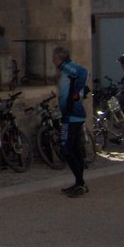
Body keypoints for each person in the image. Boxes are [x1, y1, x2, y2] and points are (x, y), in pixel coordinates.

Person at [52, 45, 90, 197]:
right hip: (70, 114)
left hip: (72, 114)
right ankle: (79, 182)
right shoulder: (63, 69)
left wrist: (75, 93)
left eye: (54, 57)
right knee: (74, 148)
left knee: (66, 149)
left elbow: (83, 72)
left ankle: (80, 183)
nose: (53, 60)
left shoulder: (67, 67)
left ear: (58, 57)